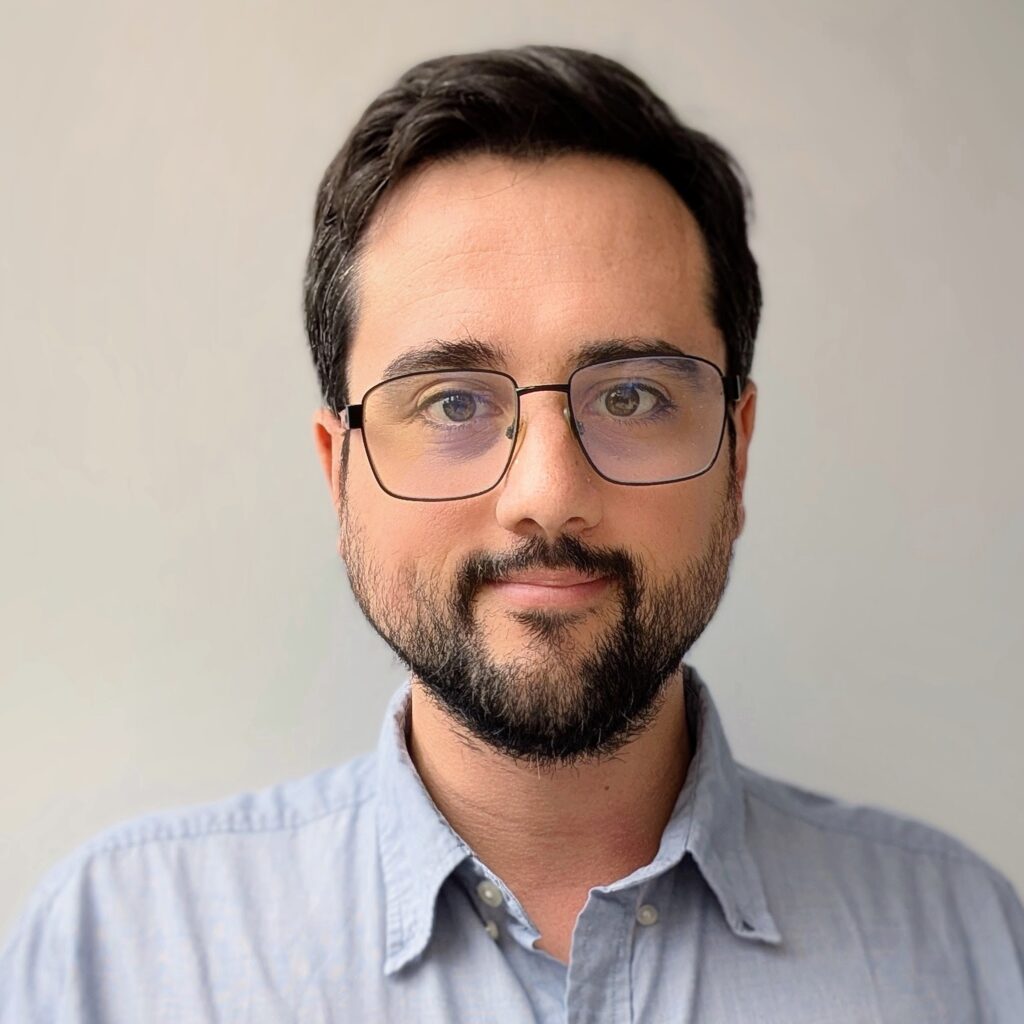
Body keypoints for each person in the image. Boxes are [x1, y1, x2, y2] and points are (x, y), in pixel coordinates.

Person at [2, 44, 1022, 1023]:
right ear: (339, 473)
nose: (547, 493)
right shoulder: (111, 961)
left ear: (737, 452)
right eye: (452, 402)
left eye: (631, 395)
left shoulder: (971, 953)